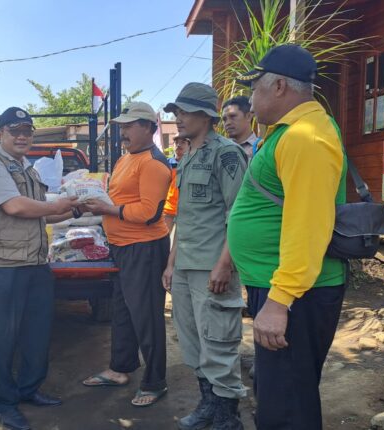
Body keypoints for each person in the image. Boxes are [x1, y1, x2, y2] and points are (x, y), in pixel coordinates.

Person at [227, 44, 347, 430]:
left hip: (295, 294)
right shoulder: (290, 133)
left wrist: (279, 301)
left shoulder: (306, 137)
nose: (250, 100)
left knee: (287, 410)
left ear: (279, 86)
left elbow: (308, 225)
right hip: (285, 287)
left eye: (255, 89)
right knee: (280, 398)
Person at [0, 107, 79, 430]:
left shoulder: (27, 169)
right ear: (0, 133)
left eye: (27, 131)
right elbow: (15, 206)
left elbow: (43, 214)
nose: (22, 136)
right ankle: (4, 403)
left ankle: (30, 389)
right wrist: (56, 204)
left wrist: (76, 208)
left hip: (34, 262)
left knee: (37, 333)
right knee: (1, 337)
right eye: (14, 130)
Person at [162, 83, 248, 430]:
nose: (178, 118)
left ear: (205, 115)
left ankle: (228, 418)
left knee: (219, 343)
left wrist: (225, 264)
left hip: (213, 266)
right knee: (193, 342)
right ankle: (209, 407)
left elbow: (238, 215)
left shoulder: (226, 154)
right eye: (176, 112)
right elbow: (185, 218)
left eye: (184, 112)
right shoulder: (188, 156)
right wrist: (171, 264)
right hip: (186, 265)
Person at [81, 102, 172, 408]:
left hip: (144, 248)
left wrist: (107, 209)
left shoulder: (154, 164)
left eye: (129, 126)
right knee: (123, 311)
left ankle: (155, 381)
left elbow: (149, 213)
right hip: (121, 247)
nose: (123, 132)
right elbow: (118, 196)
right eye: (122, 126)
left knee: (146, 316)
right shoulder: (126, 158)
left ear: (148, 127)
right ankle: (120, 369)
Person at [163, 133, 189, 233]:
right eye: (176, 142)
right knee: (164, 238)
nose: (178, 145)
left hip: (186, 212)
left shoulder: (193, 164)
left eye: (183, 142)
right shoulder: (166, 164)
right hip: (168, 210)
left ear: (190, 145)